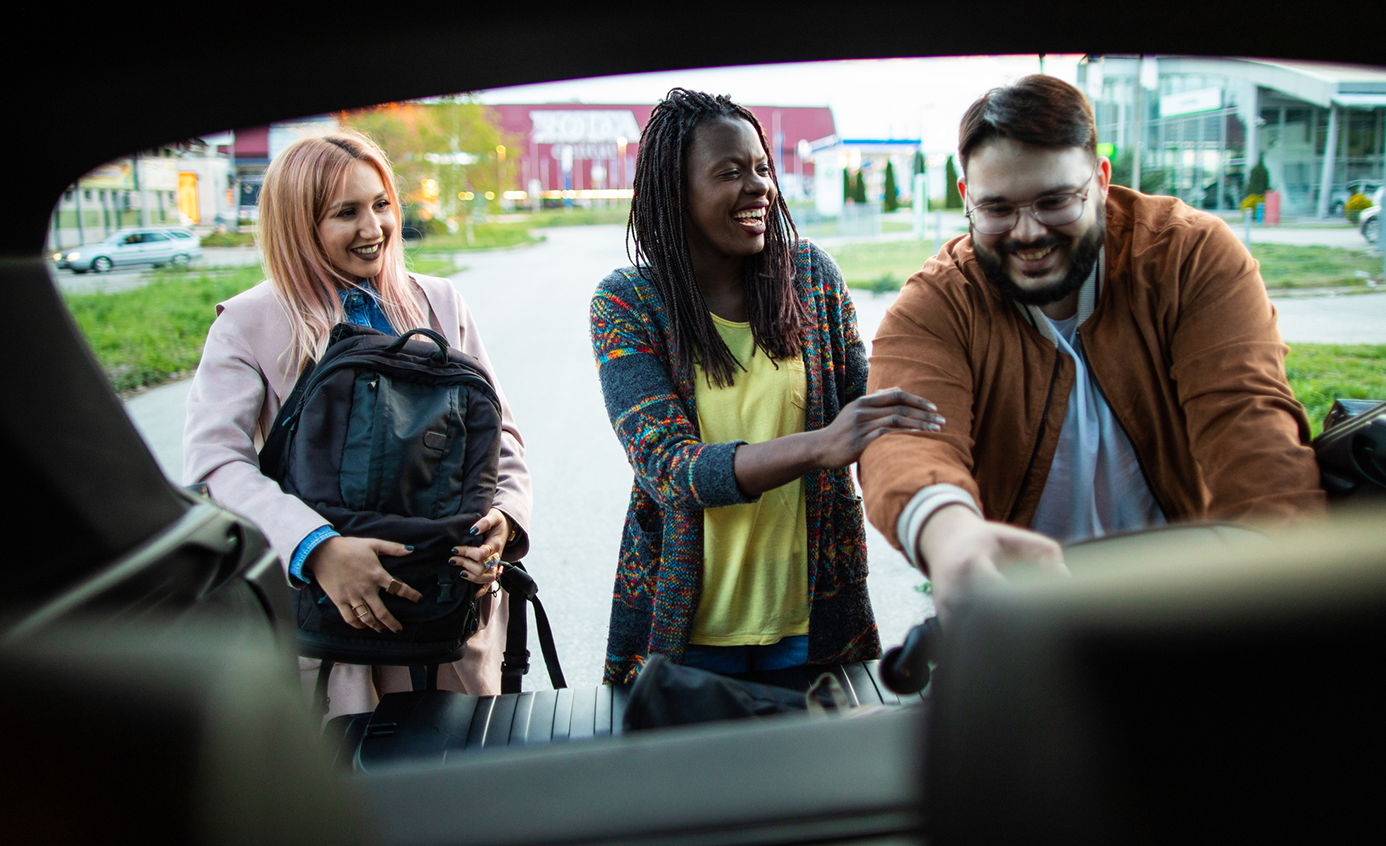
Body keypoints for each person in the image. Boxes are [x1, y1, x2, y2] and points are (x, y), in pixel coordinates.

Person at [858, 75, 1326, 621]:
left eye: (1055, 201)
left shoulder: (1188, 255)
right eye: (998, 209)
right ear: (966, 198)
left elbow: (1249, 423)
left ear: (1101, 181)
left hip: (1197, 603)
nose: (1027, 232)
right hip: (1023, 616)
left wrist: (1279, 580)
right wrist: (950, 534)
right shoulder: (938, 301)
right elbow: (905, 439)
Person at [590, 89, 942, 685]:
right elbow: (668, 467)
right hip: (688, 630)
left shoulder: (811, 277)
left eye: (762, 168)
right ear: (676, 193)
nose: (760, 188)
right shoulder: (628, 302)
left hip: (814, 617)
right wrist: (822, 446)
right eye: (730, 172)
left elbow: (871, 404)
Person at [183, 130, 532, 715]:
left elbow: (501, 436)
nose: (374, 229)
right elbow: (215, 465)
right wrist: (317, 548)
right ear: (297, 223)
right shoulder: (248, 324)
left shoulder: (440, 303)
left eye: (380, 205)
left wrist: (505, 520)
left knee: (459, 785)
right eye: (345, 213)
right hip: (331, 623)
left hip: (447, 615)